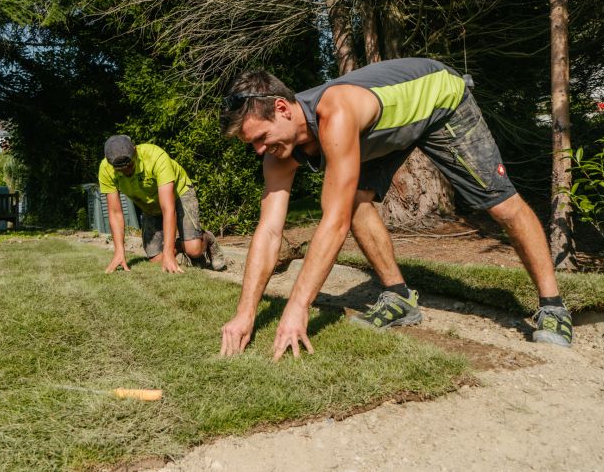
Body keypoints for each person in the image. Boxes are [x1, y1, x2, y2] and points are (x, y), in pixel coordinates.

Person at [218, 58, 572, 360]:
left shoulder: (336, 114)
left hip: (439, 100)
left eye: (261, 138)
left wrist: (298, 307)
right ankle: (399, 298)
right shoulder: (279, 154)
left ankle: (553, 306)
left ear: (281, 108)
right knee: (354, 202)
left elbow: (333, 223)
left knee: (501, 204)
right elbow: (269, 230)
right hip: (380, 132)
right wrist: (244, 313)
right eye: (252, 144)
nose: (259, 151)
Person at [98, 135, 226, 274]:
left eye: (129, 166)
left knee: (193, 248)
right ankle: (185, 247)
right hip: (149, 205)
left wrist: (169, 253)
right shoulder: (105, 169)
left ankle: (206, 239)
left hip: (179, 194)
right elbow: (115, 213)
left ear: (135, 151)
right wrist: (119, 251)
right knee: (156, 259)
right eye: (120, 170)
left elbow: (168, 209)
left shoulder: (155, 157)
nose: (127, 172)